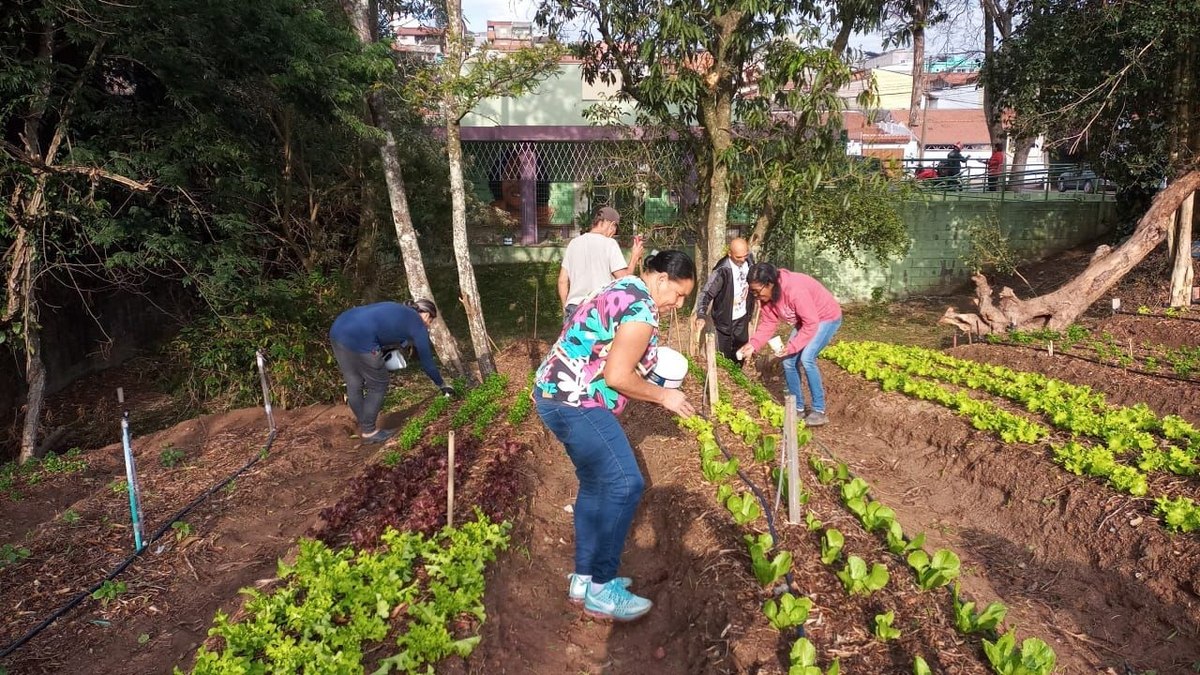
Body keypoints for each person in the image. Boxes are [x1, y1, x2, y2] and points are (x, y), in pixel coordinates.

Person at [535, 250, 697, 622]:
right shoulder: (642, 310)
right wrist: (664, 395)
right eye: (679, 293)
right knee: (626, 484)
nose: (679, 303)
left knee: (595, 485)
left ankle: (584, 578)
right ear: (660, 279)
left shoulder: (624, 286)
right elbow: (617, 377)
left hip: (554, 395)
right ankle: (602, 590)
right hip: (577, 401)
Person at [329, 299, 455, 444]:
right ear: (426, 314)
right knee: (379, 383)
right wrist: (441, 384)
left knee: (354, 381)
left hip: (338, 329)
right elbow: (427, 363)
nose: (429, 325)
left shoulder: (398, 310)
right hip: (361, 337)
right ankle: (369, 431)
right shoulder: (417, 324)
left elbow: (385, 332)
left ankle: (365, 424)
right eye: (431, 320)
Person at [736, 263, 842, 427]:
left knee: (807, 358)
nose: (755, 295)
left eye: (757, 291)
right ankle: (797, 408)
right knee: (788, 361)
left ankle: (818, 410)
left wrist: (792, 346)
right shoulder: (765, 298)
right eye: (752, 291)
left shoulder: (794, 290)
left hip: (825, 317)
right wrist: (753, 344)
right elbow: (769, 323)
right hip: (805, 320)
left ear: (770, 283)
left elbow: (811, 324)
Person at [558, 206, 645, 324]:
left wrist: (565, 307)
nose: (614, 232)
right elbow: (624, 278)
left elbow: (562, 281)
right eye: (615, 228)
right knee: (600, 343)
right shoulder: (609, 244)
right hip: (599, 309)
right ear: (611, 224)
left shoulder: (573, 243)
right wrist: (634, 256)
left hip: (574, 308)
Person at [694, 237, 754, 364]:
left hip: (742, 316)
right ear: (730, 254)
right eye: (739, 257)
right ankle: (724, 379)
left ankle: (738, 376)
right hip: (724, 320)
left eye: (745, 255)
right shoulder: (722, 270)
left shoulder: (749, 261)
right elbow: (706, 293)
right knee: (723, 355)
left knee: (740, 352)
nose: (743, 259)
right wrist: (701, 314)